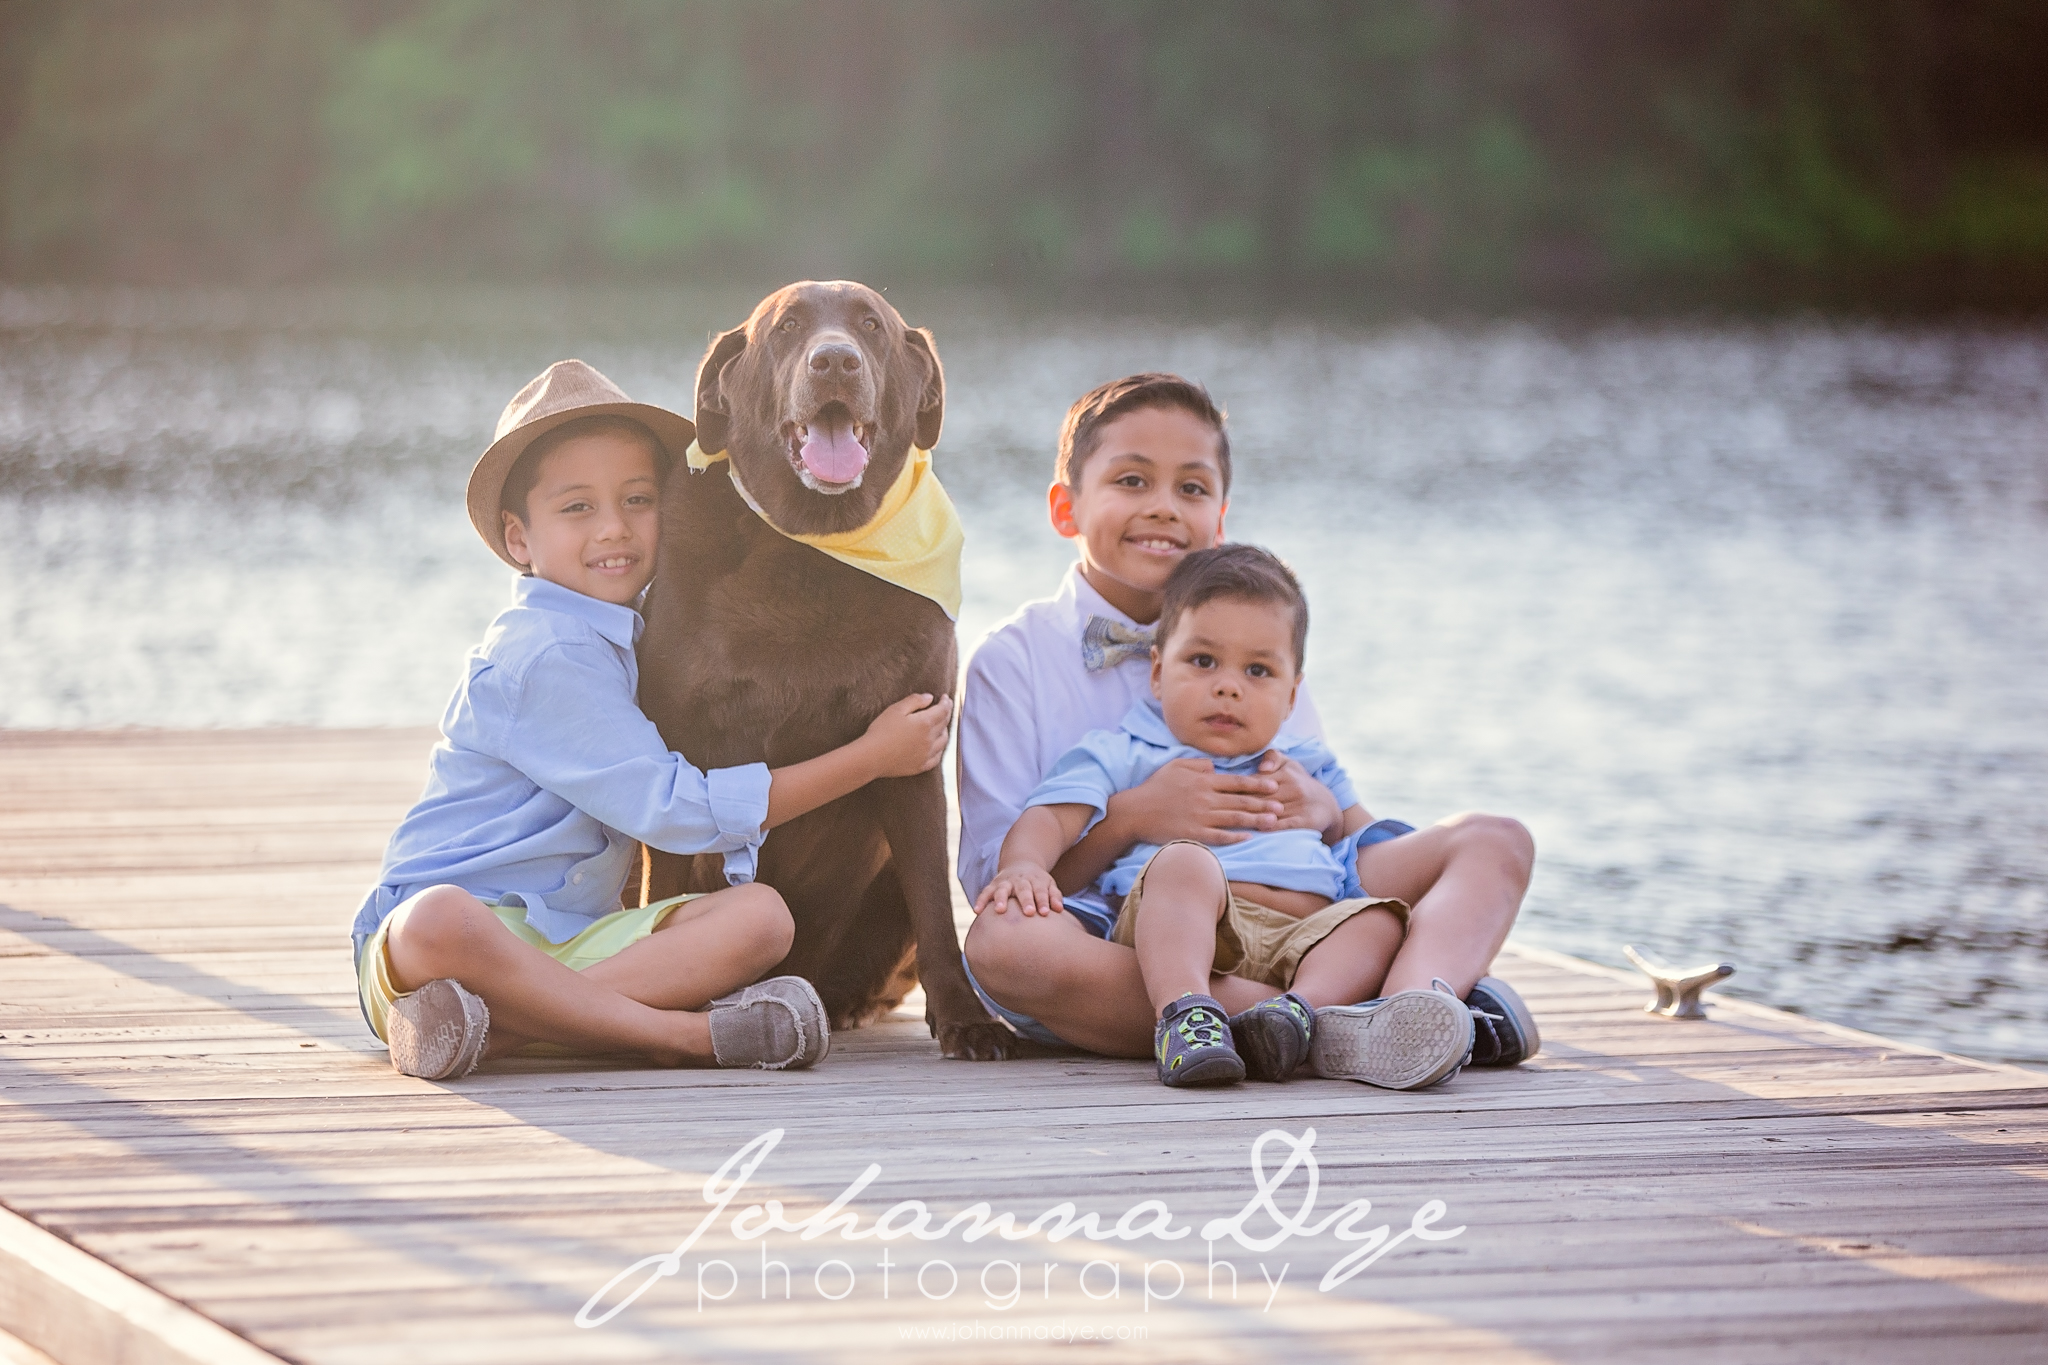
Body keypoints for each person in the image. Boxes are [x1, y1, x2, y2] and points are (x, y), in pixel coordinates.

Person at [351, 360, 952, 1080]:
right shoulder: (543, 653)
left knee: (761, 918)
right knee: (436, 917)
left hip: (573, 940)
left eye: (639, 499)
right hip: (448, 945)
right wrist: (870, 757)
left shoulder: (636, 634)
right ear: (519, 539)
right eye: (577, 508)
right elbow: (674, 811)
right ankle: (681, 1038)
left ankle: (497, 1030)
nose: (615, 528)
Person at [956, 374, 1537, 1079]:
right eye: (1132, 480)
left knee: (1496, 840)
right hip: (1128, 931)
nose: (1164, 508)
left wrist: (1327, 811)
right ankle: (1338, 1021)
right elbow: (1005, 878)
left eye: (1192, 489)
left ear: (1221, 516)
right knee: (1001, 943)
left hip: (1298, 897)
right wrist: (1133, 818)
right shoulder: (1011, 660)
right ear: (1066, 507)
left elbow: (1343, 829)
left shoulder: (1262, 634)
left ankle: (1414, 1001)